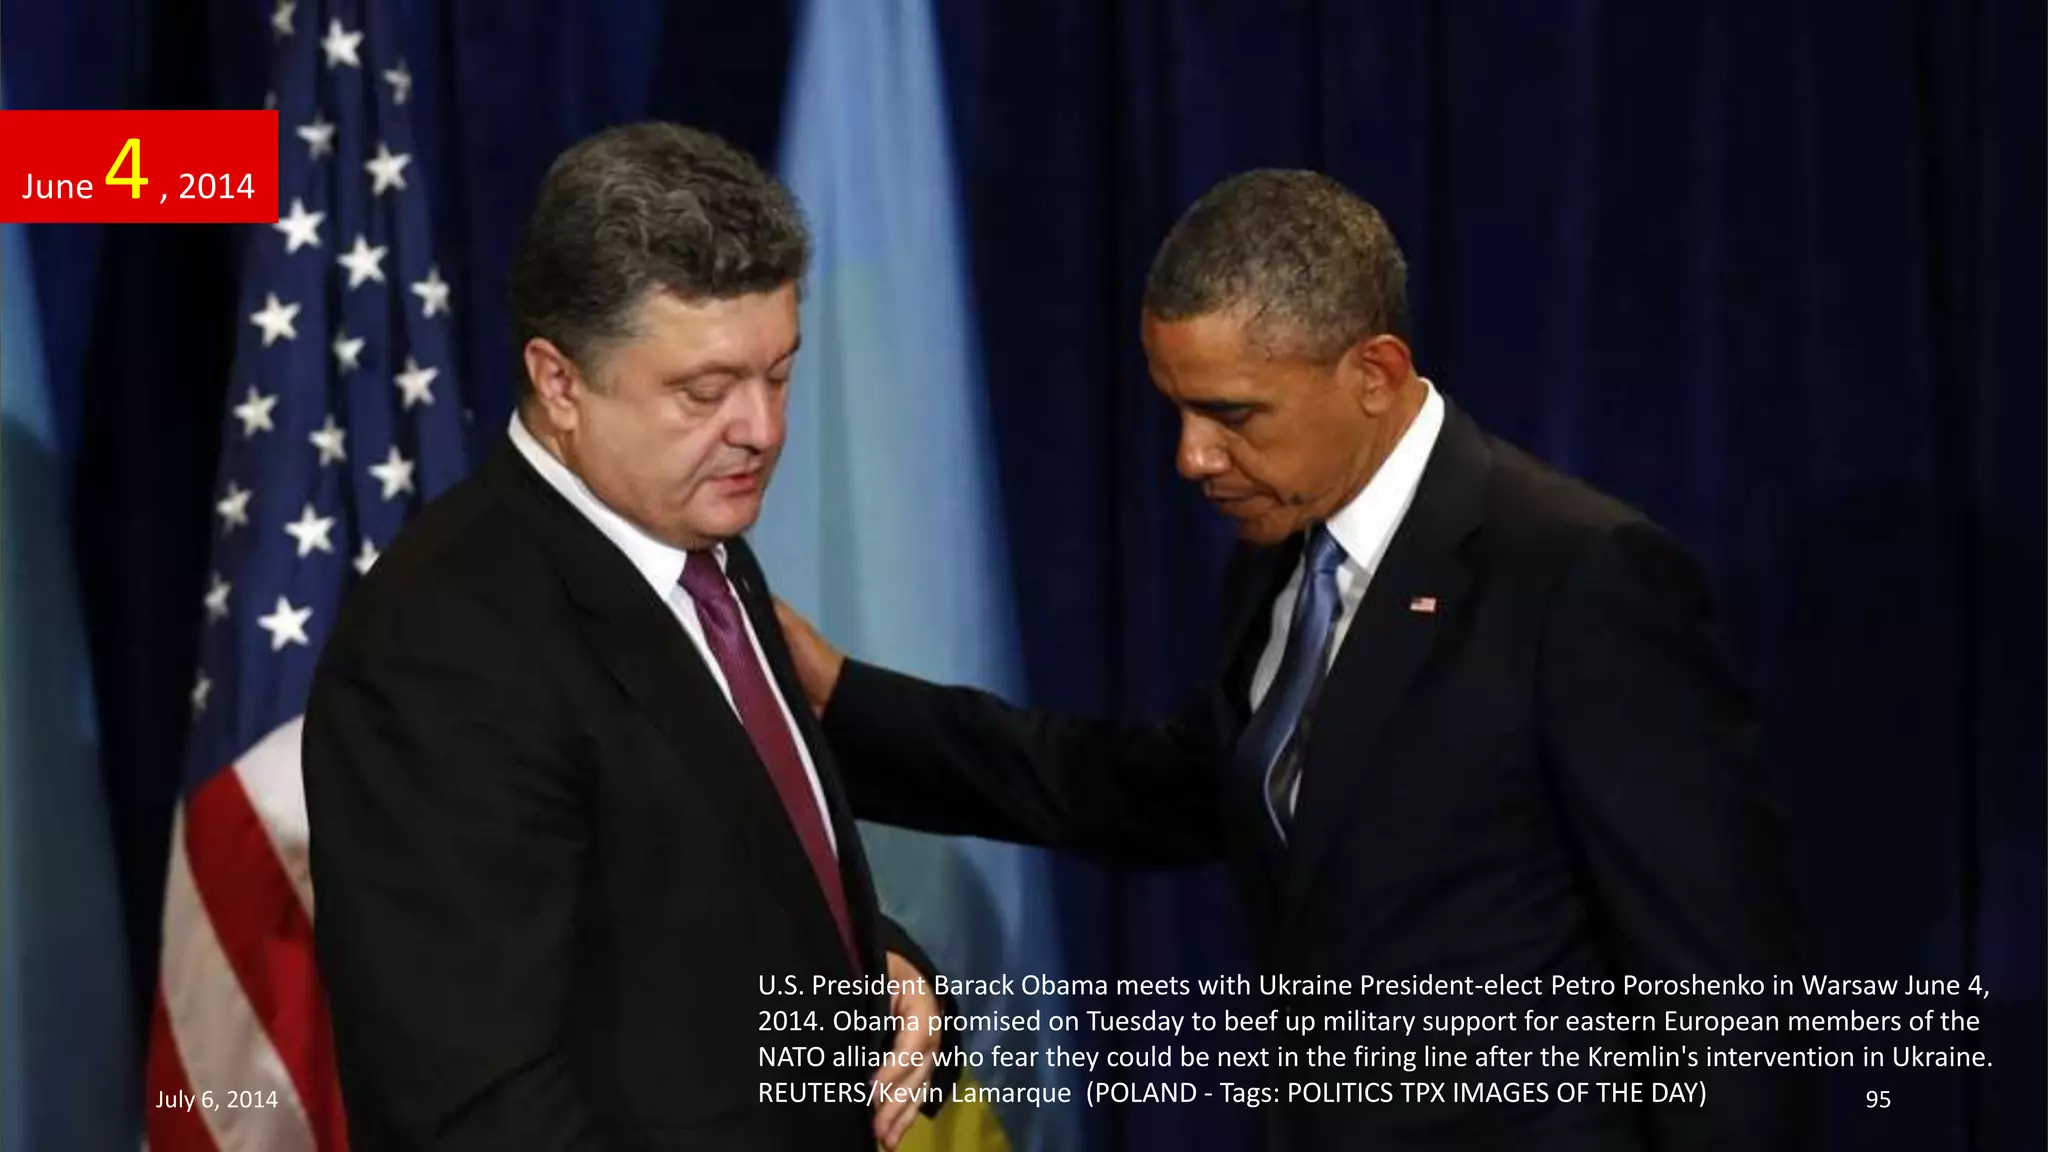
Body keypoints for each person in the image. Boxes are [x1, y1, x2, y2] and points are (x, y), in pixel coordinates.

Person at [775, 170, 1805, 1150]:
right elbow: (1172, 791)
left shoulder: (1576, 577)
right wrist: (845, 701)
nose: (1190, 457)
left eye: (1230, 415)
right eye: (1173, 409)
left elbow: (1715, 989)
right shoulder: (1288, 551)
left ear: (1374, 374)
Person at [304, 123, 956, 1151]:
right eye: (705, 391)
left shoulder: (696, 538)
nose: (762, 428)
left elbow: (698, 886)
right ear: (559, 383)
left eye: (778, 373)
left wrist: (887, 972)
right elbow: (476, 1117)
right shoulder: (442, 650)